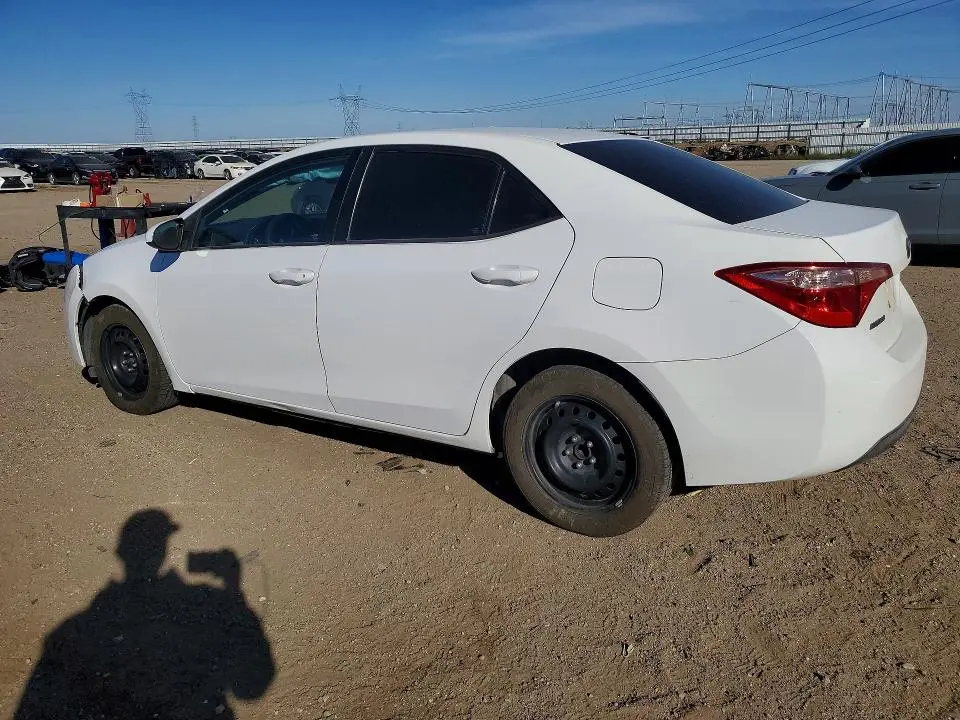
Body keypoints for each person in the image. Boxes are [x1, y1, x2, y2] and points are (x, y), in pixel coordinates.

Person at [15, 509, 275, 720]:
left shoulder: (74, 630)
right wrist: (233, 590)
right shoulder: (204, 600)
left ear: (121, 553)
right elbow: (251, 687)